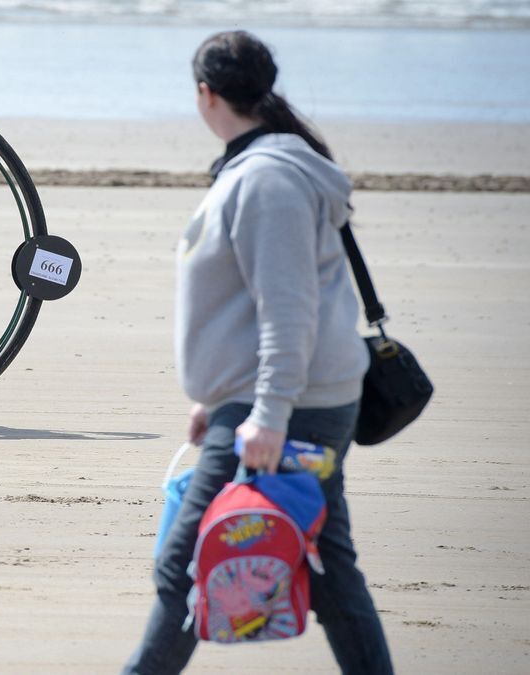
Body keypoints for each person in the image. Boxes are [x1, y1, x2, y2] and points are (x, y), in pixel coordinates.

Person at [121, 31, 394, 674]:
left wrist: (267, 413)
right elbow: (249, 304)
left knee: (183, 562)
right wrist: (212, 399)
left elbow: (287, 307)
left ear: (205, 94)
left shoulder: (268, 178)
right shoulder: (263, 166)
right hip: (270, 400)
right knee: (329, 572)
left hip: (285, 407)